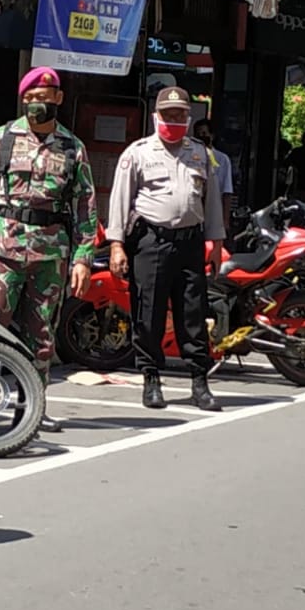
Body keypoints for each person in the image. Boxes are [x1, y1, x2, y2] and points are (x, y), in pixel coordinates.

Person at [0, 67, 97, 435]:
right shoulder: (2, 139)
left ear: (59, 99)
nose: (39, 103)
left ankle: (34, 408)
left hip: (51, 255)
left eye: (46, 97)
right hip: (4, 250)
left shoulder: (72, 147)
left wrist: (84, 258)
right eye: (33, 98)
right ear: (24, 100)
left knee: (42, 335)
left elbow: (86, 207)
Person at [107, 87, 226, 411]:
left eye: (180, 115)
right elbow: (120, 200)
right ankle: (151, 379)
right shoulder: (138, 153)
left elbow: (211, 201)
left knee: (193, 314)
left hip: (190, 244)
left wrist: (215, 243)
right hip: (151, 242)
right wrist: (116, 245)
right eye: (168, 115)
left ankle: (199, 383)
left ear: (189, 118)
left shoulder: (201, 154)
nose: (174, 120)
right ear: (155, 117)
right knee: (149, 313)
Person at [192, 118, 234, 234]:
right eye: (198, 134)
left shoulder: (222, 159)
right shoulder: (190, 157)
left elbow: (227, 191)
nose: (201, 137)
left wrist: (225, 220)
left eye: (204, 133)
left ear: (212, 136)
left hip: (215, 209)